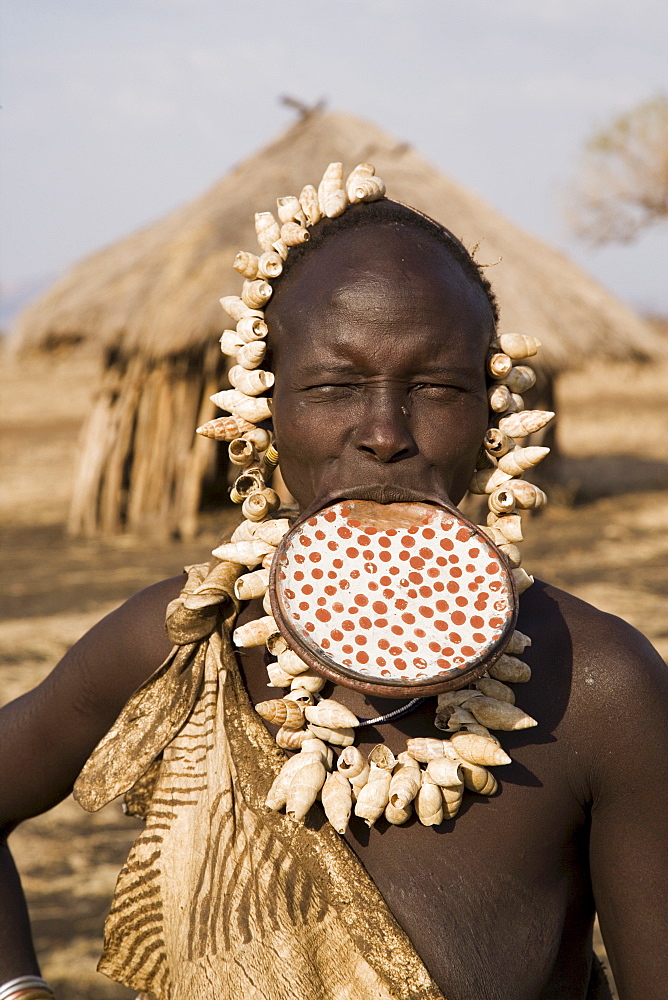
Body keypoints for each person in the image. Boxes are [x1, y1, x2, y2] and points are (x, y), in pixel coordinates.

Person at [1, 186, 667, 1000]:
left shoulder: (602, 688)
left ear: (495, 412)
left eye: (437, 388)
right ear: (265, 409)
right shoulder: (182, 642)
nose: (384, 432)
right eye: (333, 387)